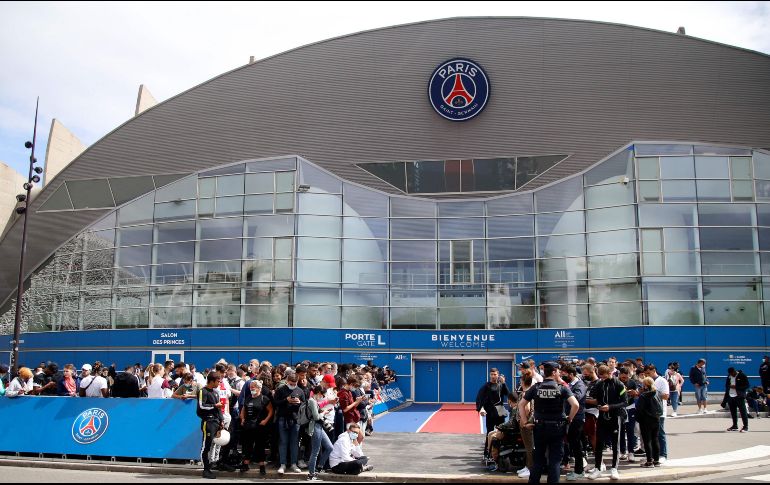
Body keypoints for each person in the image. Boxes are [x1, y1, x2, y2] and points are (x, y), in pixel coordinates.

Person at [518, 361, 579, 484]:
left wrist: (524, 423)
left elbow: (521, 404)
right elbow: (575, 405)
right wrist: (569, 418)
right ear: (554, 372)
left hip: (539, 427)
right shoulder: (561, 388)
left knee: (538, 460)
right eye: (558, 371)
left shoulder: (536, 387)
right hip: (557, 428)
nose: (560, 373)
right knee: (555, 461)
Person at [587, 365, 629, 481]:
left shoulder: (619, 384)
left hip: (615, 417)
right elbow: (595, 398)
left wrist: (610, 407)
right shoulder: (599, 384)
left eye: (604, 376)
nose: (603, 378)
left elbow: (625, 402)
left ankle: (614, 468)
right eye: (601, 377)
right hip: (602, 417)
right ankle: (598, 468)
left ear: (610, 373)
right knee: (599, 443)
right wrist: (597, 403)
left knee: (615, 444)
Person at [274, 372, 306, 474]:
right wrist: (286, 400)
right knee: (283, 442)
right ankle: (282, 464)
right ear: (287, 381)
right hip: (283, 419)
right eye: (291, 384)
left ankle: (294, 464)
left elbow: (305, 405)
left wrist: (299, 403)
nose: (293, 385)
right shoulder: (281, 390)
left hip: (295, 420)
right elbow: (275, 403)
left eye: (295, 384)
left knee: (294, 442)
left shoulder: (300, 390)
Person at [240, 379, 273, 476]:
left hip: (259, 426)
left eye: (253, 388)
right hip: (248, 426)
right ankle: (245, 464)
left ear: (259, 388)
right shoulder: (248, 398)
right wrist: (242, 419)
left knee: (260, 446)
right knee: (247, 445)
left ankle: (262, 466)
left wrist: (265, 420)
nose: (251, 389)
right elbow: (243, 409)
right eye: (250, 388)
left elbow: (271, 411)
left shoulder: (264, 399)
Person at [476, 367, 511, 460]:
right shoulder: (486, 386)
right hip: (490, 413)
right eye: (491, 374)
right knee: (489, 433)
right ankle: (487, 453)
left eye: (495, 374)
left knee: (501, 432)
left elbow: (509, 394)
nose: (493, 376)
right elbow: (479, 398)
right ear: (489, 375)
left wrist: (504, 383)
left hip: (500, 413)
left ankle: (501, 452)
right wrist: (481, 409)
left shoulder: (501, 385)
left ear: (498, 375)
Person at [561, 364, 587, 481]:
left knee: (576, 445)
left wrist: (565, 389)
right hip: (570, 418)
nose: (563, 376)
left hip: (577, 419)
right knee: (573, 444)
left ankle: (579, 471)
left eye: (564, 374)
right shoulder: (571, 384)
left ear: (571, 374)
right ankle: (578, 469)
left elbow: (577, 397)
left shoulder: (579, 384)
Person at [198, 371, 226, 480]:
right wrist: (214, 405)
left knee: (215, 445)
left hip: (216, 422)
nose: (219, 383)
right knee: (206, 445)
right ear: (211, 381)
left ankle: (213, 464)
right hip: (208, 422)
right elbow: (201, 406)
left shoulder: (216, 392)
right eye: (218, 381)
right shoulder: (203, 391)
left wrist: (221, 420)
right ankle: (205, 469)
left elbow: (219, 409)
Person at [306, 384, 335, 481]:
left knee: (330, 447)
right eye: (323, 395)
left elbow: (316, 413)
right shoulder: (312, 401)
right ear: (319, 393)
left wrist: (323, 411)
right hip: (315, 427)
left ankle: (319, 467)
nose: (323, 397)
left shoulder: (314, 401)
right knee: (315, 452)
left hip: (319, 426)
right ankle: (311, 474)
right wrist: (324, 412)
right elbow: (316, 417)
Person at [635, 377, 663, 468]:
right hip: (656, 418)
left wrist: (638, 419)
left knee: (647, 441)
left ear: (646, 385)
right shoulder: (658, 393)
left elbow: (639, 409)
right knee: (655, 439)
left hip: (646, 420)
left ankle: (649, 461)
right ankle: (656, 460)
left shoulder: (644, 395)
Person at [646, 364, 669, 463]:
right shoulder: (647, 381)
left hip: (659, 412)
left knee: (660, 433)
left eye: (648, 373)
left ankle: (663, 454)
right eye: (646, 373)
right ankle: (652, 455)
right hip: (648, 412)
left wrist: (653, 392)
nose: (647, 375)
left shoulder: (662, 381)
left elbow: (666, 396)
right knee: (650, 435)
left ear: (654, 370)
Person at [618, 367, 639, 463]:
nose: (624, 379)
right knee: (621, 431)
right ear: (619, 375)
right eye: (623, 377)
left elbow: (637, 394)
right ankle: (622, 451)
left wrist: (634, 393)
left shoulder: (632, 382)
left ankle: (631, 452)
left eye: (626, 377)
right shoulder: (616, 382)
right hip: (619, 409)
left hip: (630, 408)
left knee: (630, 430)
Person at [724, 367, 750, 433]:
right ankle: (735, 426)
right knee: (733, 412)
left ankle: (745, 427)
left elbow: (747, 385)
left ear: (735, 371)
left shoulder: (742, 375)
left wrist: (736, 387)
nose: (731, 375)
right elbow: (726, 385)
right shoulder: (729, 376)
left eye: (732, 374)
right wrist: (729, 388)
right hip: (730, 396)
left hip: (739, 396)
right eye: (730, 374)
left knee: (743, 412)